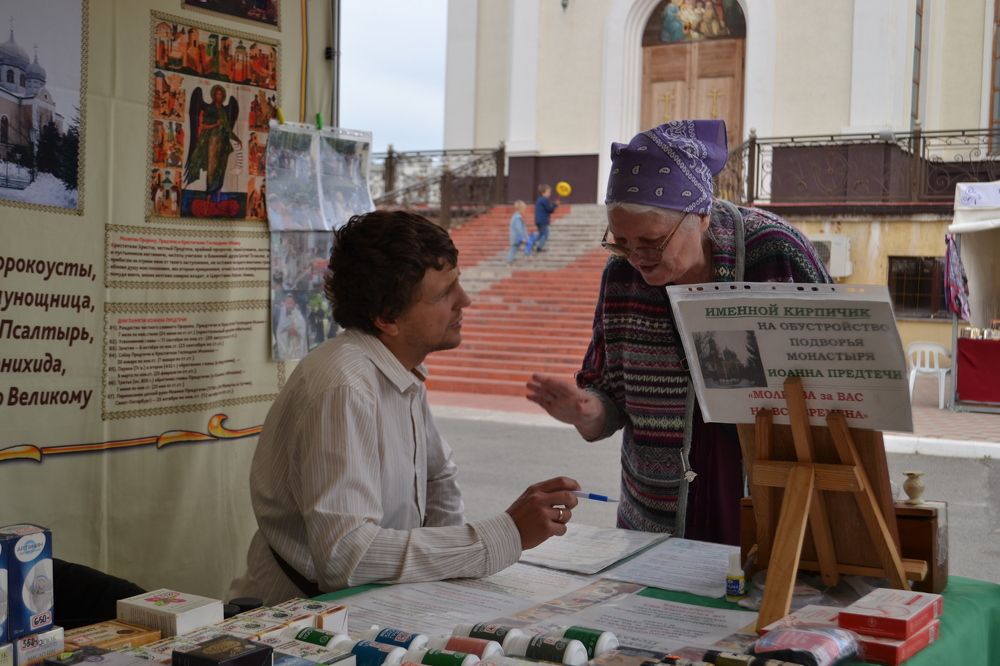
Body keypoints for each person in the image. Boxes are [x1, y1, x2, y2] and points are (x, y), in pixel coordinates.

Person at [230, 210, 580, 603]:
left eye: (457, 284)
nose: (465, 300)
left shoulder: (398, 367)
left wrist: (454, 578)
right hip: (295, 623)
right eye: (444, 293)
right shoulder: (344, 386)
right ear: (387, 318)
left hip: (375, 608)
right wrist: (503, 535)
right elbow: (346, 555)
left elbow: (438, 480)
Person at [526, 120, 830, 545]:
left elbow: (837, 378)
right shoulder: (621, 276)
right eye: (621, 241)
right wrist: (586, 411)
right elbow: (607, 395)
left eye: (650, 241)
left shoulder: (775, 254)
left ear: (701, 215)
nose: (635, 257)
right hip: (654, 519)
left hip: (775, 504)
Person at [184, 84, 242, 201]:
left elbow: (227, 128)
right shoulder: (210, 108)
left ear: (223, 96)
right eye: (217, 94)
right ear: (214, 95)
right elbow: (203, 125)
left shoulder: (224, 111)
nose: (219, 96)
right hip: (212, 141)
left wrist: (236, 138)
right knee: (212, 167)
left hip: (224, 142)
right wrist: (215, 124)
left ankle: (218, 194)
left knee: (221, 168)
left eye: (221, 94)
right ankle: (209, 194)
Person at [533, 184, 559, 253]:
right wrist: (555, 205)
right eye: (548, 192)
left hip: (538, 220)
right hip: (543, 220)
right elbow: (549, 209)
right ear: (543, 193)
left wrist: (553, 205)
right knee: (545, 234)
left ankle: (533, 243)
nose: (549, 194)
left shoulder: (539, 200)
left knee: (541, 233)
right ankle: (539, 247)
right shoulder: (544, 200)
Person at [507, 200, 529, 265]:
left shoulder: (515, 216)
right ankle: (509, 260)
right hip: (516, 237)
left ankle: (511, 259)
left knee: (514, 248)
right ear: (521, 208)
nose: (524, 210)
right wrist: (523, 238)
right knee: (514, 248)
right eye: (524, 208)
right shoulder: (517, 218)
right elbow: (519, 229)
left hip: (515, 236)